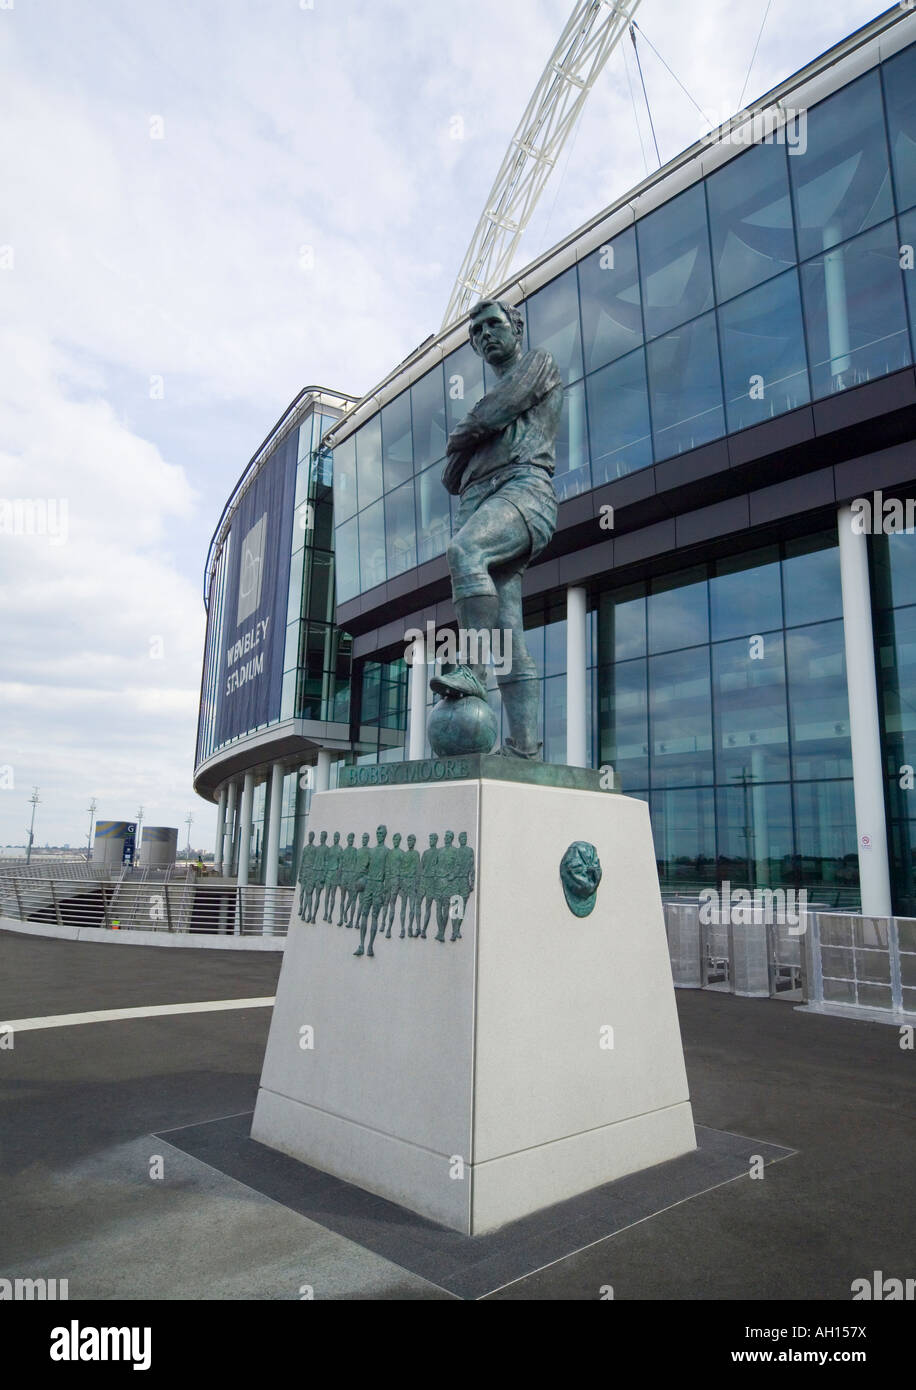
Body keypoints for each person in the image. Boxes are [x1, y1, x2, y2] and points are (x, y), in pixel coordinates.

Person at [433, 298, 563, 759]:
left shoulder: (539, 364)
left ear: (516, 328)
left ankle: (471, 669)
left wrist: (471, 431)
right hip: (482, 500)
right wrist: (474, 433)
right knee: (508, 633)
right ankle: (525, 748)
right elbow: (450, 476)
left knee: (465, 552)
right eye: (477, 331)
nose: (486, 334)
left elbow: (489, 416)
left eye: (494, 324)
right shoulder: (487, 402)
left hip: (525, 490)